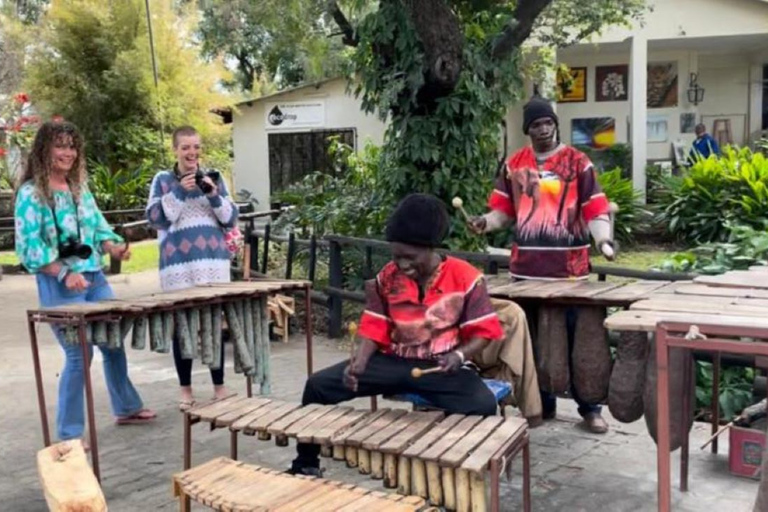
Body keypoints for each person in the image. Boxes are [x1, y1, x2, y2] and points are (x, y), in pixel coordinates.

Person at [288, 193, 505, 476]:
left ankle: (461, 466)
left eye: (409, 257)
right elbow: (375, 324)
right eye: (396, 256)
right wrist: (361, 362)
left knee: (483, 404)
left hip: (440, 367)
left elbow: (484, 332)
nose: (401, 264)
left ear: (431, 248)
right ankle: (305, 464)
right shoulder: (387, 277)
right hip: (392, 362)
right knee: (317, 386)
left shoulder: (466, 277)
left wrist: (459, 355)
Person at [468, 96, 615, 434]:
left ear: (555, 124)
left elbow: (594, 206)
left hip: (570, 271)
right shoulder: (515, 163)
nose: (544, 129)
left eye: (548, 122)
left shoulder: (578, 162)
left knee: (581, 340)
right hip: (526, 270)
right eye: (537, 124)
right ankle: (542, 404)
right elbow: (503, 211)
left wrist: (603, 240)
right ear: (528, 129)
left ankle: (589, 407)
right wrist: (485, 223)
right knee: (532, 340)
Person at [15, 121, 156, 445]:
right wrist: (64, 272)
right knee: (80, 355)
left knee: (113, 342)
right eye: (60, 146)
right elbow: (29, 248)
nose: (68, 153)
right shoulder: (31, 193)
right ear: (44, 150)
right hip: (59, 284)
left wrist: (113, 246)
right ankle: (69, 435)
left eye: (72, 146)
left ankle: (127, 407)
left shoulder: (79, 188)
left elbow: (99, 228)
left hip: (94, 279)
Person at [146, 126, 238, 411]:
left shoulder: (215, 177)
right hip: (178, 268)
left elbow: (231, 218)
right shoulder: (162, 180)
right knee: (182, 329)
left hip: (213, 265)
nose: (192, 153)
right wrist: (179, 191)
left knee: (212, 326)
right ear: (175, 149)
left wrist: (212, 193)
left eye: (196, 147)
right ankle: (185, 389)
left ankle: (219, 387)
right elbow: (157, 219)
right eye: (186, 147)